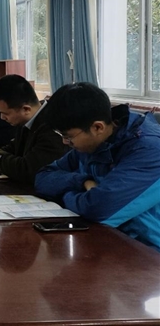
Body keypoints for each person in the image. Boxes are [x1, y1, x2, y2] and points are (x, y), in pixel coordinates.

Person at [35, 83, 160, 251]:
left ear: (97, 127)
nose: (65, 142)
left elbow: (98, 210)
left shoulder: (149, 150)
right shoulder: (93, 144)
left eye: (68, 136)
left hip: (150, 252)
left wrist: (64, 196)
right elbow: (42, 178)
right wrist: (82, 181)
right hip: (111, 242)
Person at [0, 75, 68, 185]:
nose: (2, 118)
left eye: (5, 113)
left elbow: (28, 170)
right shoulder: (27, 121)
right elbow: (13, 148)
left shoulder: (52, 127)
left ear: (26, 109)